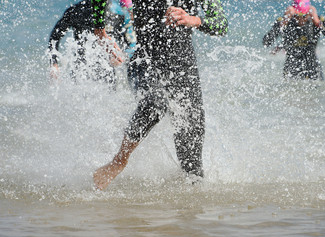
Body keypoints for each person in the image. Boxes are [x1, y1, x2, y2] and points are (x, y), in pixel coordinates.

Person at [91, 0, 228, 190]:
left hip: (183, 67)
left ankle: (189, 215)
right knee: (156, 102)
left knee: (193, 168)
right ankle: (119, 160)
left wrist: (194, 19)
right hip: (144, 62)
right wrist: (100, 32)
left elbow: (221, 23)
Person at [48, 0, 136, 87]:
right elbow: (55, 36)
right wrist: (54, 64)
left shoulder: (117, 15)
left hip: (106, 69)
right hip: (80, 68)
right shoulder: (76, 11)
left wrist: (120, 57)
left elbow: (125, 44)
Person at [263, 0, 325, 80]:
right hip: (291, 67)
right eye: (296, 16)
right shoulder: (286, 21)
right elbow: (266, 42)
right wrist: (283, 23)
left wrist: (318, 23)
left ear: (309, 14)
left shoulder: (316, 21)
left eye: (304, 16)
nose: (300, 20)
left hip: (312, 66)